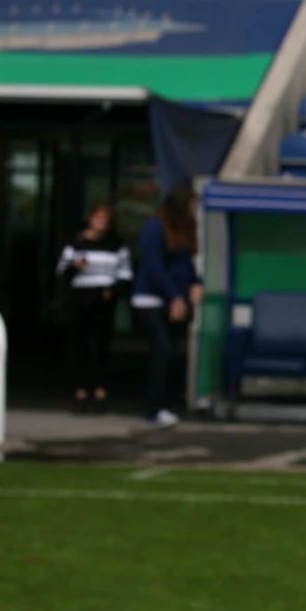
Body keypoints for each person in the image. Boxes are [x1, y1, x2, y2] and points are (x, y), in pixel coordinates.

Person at [133, 183, 203, 428]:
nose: (194, 210)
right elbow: (154, 268)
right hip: (151, 299)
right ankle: (153, 409)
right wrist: (174, 296)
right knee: (162, 350)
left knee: (171, 352)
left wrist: (196, 284)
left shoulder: (183, 231)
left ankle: (163, 405)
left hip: (175, 299)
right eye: (191, 205)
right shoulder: (154, 228)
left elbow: (186, 264)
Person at [56, 202, 129, 413]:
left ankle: (100, 390)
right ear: (90, 218)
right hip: (80, 298)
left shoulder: (116, 245)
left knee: (101, 345)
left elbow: (125, 273)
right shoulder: (76, 243)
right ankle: (80, 391)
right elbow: (62, 271)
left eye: (106, 219)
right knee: (79, 344)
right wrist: (75, 267)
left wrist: (112, 289)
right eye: (98, 218)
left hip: (103, 300)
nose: (101, 223)